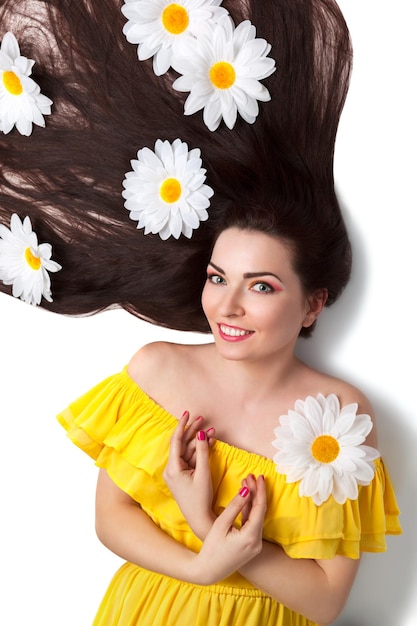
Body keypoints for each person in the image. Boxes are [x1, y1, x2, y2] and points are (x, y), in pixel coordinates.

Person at [0, 1, 401, 625]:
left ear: (312, 303)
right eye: (218, 278)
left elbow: (325, 601)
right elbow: (110, 519)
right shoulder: (157, 372)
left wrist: (206, 520)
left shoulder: (341, 420)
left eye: (262, 287)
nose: (227, 305)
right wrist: (200, 565)